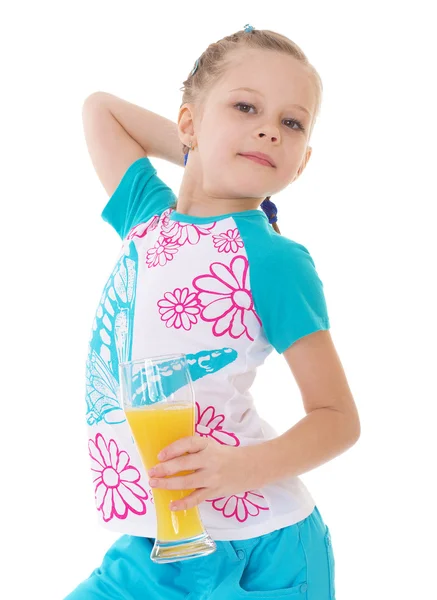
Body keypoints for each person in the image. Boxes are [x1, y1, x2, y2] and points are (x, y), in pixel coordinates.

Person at [69, 24, 360, 599]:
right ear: (187, 124)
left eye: (292, 123)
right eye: (246, 106)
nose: (268, 131)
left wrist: (233, 470)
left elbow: (338, 419)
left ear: (301, 162)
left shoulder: (272, 259)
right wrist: (200, 141)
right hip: (157, 542)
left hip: (262, 546)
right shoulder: (145, 218)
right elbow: (100, 110)